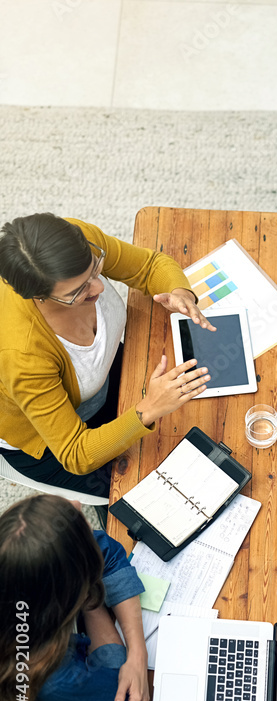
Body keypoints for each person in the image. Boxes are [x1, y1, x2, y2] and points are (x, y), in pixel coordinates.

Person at [0, 213, 214, 497]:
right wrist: (148, 409)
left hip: (105, 379)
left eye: (95, 269)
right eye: (79, 290)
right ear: (40, 296)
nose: (99, 286)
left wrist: (179, 292)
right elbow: (76, 453)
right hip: (51, 444)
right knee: (156, 494)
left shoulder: (77, 243)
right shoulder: (23, 356)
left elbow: (150, 266)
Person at [0, 494, 148, 701]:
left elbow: (108, 553)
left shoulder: (14, 562)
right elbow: (119, 696)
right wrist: (91, 599)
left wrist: (138, 652)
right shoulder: (53, 678)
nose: (78, 504)